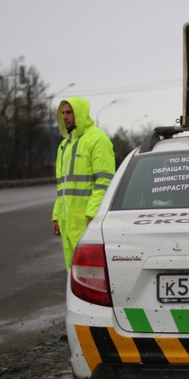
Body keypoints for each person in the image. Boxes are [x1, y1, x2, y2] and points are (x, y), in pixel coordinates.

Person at [52, 97, 115, 270]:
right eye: (63, 113)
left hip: (86, 219)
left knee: (89, 271)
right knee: (72, 270)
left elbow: (104, 182)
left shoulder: (97, 139)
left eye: (69, 112)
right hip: (68, 220)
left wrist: (92, 214)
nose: (65, 117)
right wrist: (57, 216)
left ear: (79, 113)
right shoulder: (64, 146)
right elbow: (61, 188)